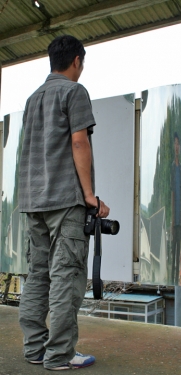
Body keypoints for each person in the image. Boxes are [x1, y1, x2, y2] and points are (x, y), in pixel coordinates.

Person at [18, 35, 110, 371]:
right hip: (64, 200)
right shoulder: (74, 92)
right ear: (76, 61)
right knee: (66, 276)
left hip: (33, 201)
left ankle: (35, 349)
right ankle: (58, 355)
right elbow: (78, 141)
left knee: (38, 275)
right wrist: (89, 195)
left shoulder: (32, 99)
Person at [170, 132, 181, 285]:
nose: (177, 146)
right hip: (172, 221)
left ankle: (177, 282)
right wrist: (171, 220)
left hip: (180, 220)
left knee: (179, 255)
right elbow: (171, 194)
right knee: (172, 253)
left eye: (178, 144)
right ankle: (171, 282)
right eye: (175, 143)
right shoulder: (170, 168)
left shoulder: (180, 169)